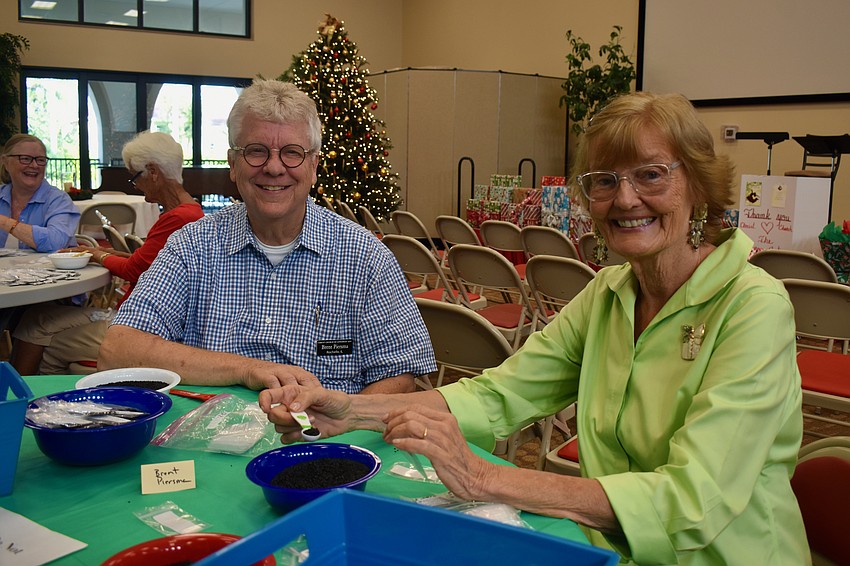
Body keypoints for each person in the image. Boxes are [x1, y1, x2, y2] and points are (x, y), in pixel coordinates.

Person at [258, 92, 809, 564]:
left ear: (700, 185)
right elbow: (502, 393)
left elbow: (694, 500)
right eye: (605, 181)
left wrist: (483, 478)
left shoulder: (752, 307)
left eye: (651, 174)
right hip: (612, 548)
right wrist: (349, 409)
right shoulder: (609, 292)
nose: (624, 198)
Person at [98, 79, 436, 393]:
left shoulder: (365, 259)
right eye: (256, 151)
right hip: (204, 443)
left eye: (292, 152)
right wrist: (246, 369)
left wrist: (341, 424)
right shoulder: (193, 246)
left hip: (323, 445)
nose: (274, 168)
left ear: (314, 166)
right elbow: (118, 351)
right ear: (233, 164)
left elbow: (399, 375)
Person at [11, 131, 204, 375]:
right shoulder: (189, 211)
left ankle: (38, 400)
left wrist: (97, 255)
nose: (135, 185)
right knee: (34, 319)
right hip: (136, 315)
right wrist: (96, 250)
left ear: (153, 172)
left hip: (138, 324)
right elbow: (145, 263)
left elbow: (134, 269)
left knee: (43, 338)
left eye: (135, 177)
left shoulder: (179, 218)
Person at [0, 133, 79, 252]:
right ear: (5, 162)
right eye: (25, 159)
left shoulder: (58, 200)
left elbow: (56, 243)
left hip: (51, 270)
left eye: (40, 160)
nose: (34, 165)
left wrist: (4, 222)